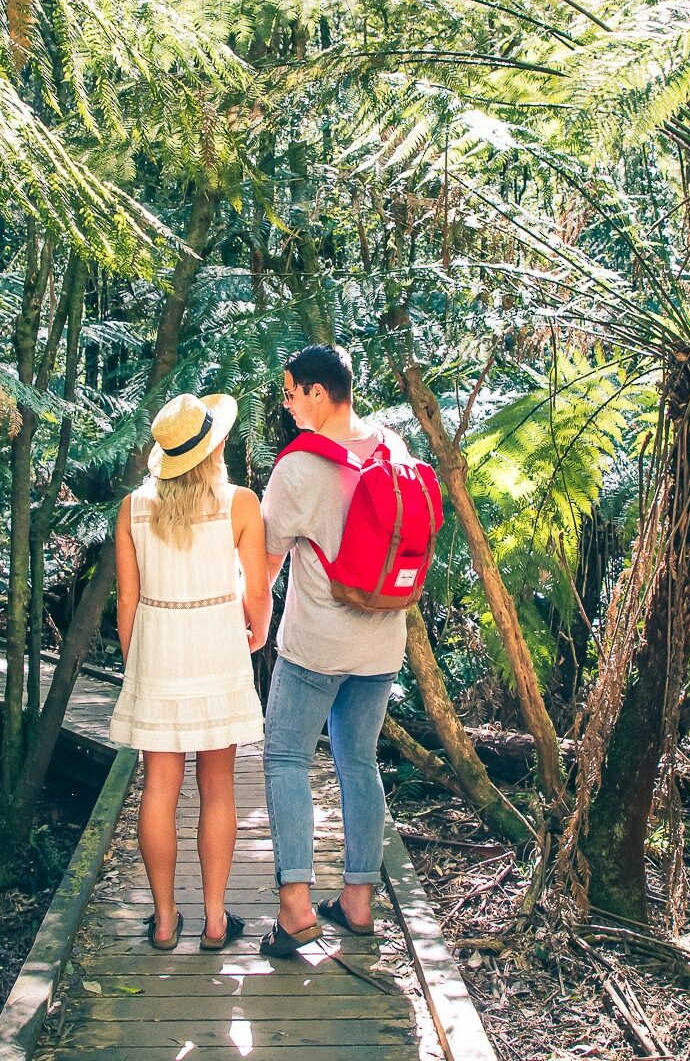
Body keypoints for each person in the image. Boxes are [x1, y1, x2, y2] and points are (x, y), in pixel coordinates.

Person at [257, 345, 410, 957]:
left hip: (316, 645)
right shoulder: (392, 446)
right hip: (381, 644)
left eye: (292, 392)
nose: (288, 404)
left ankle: (295, 906)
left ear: (319, 393)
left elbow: (267, 560)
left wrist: (251, 624)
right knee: (358, 763)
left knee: (286, 757)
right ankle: (357, 901)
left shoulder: (296, 469)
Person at [108, 392, 271, 952]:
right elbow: (257, 590)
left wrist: (136, 665)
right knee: (218, 788)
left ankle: (162, 920)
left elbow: (126, 603)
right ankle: (217, 920)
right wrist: (258, 630)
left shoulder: (132, 509)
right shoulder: (241, 504)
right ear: (214, 447)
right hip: (217, 651)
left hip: (159, 652)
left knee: (159, 787)